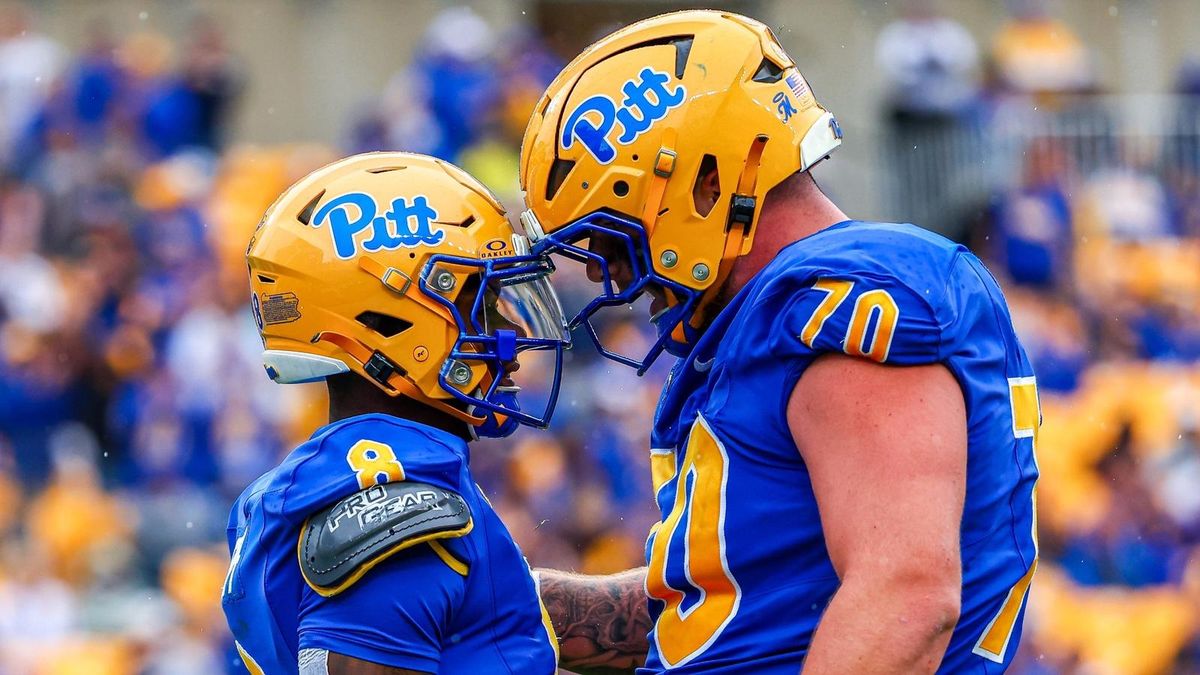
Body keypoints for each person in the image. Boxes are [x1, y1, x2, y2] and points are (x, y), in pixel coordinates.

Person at [519, 10, 1040, 674]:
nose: (605, 272)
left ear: (709, 184)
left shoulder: (846, 296)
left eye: (612, 235)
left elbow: (905, 598)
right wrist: (505, 601)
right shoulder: (769, 315)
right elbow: (716, 612)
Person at [221, 152, 567, 674]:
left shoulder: (360, 469)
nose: (513, 334)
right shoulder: (398, 502)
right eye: (482, 301)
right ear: (389, 323)